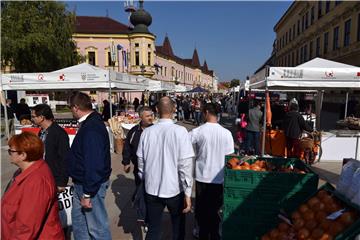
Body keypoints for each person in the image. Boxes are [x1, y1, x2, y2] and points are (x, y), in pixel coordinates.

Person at [137, 96, 194, 240]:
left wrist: (145, 178)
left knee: (153, 228)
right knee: (178, 227)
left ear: (156, 110)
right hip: (174, 188)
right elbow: (185, 165)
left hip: (152, 188)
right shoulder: (180, 131)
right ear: (174, 109)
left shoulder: (147, 132)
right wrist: (188, 192)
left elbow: (141, 162)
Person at [2, 132, 64, 239]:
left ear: (23, 155)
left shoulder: (36, 181)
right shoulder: (24, 172)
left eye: (11, 151)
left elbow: (27, 226)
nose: (9, 154)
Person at [67, 91, 112, 239]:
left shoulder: (92, 128)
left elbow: (95, 164)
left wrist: (88, 193)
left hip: (90, 185)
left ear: (75, 108)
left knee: (97, 229)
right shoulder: (90, 124)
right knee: (80, 226)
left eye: (70, 108)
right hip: (83, 183)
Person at [189, 103, 234, 240]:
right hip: (219, 178)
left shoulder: (198, 131)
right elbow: (230, 159)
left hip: (203, 176)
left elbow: (184, 145)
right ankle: (215, 234)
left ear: (207, 112)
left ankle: (202, 233)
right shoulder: (227, 133)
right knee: (215, 209)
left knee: (202, 209)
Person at [31, 104, 70, 192]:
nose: (32, 119)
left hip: (54, 177)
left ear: (41, 117)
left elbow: (65, 158)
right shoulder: (41, 132)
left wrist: (62, 182)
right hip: (41, 175)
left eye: (33, 116)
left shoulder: (59, 133)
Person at [122, 106, 153, 193]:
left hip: (153, 166)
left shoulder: (156, 130)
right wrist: (126, 162)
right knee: (139, 187)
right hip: (138, 166)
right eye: (147, 116)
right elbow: (127, 147)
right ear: (140, 117)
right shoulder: (134, 131)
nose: (150, 118)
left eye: (151, 115)